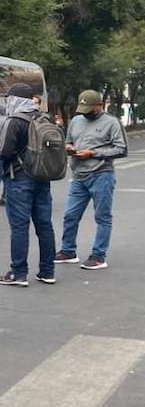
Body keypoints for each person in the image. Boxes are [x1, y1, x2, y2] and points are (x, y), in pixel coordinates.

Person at [56, 89, 129, 271]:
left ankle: (98, 255)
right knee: (70, 215)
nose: (86, 112)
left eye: (89, 108)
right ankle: (68, 251)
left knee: (102, 216)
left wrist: (94, 153)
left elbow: (121, 149)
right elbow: (68, 141)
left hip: (101, 174)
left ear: (99, 105)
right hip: (78, 175)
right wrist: (69, 148)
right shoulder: (76, 121)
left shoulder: (112, 123)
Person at [0, 83, 56, 287]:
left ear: (15, 99)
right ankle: (48, 271)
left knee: (20, 227)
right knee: (45, 225)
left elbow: (5, 151)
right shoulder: (44, 117)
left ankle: (18, 273)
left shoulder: (15, 121)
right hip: (43, 177)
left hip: (19, 179)